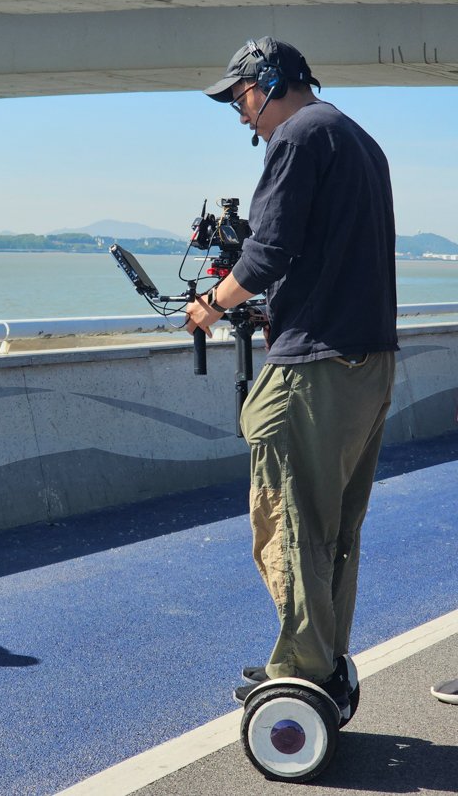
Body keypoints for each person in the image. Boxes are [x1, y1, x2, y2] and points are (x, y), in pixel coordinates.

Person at [186, 37, 398, 712]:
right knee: (337, 525)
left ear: (270, 82)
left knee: (291, 516)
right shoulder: (358, 140)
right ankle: (324, 654)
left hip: (317, 367)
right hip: (370, 363)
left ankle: (301, 667)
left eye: (241, 99)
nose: (242, 116)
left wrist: (210, 307)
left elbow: (268, 252)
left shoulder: (298, 138)